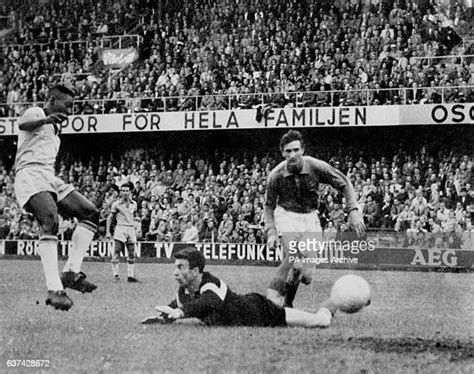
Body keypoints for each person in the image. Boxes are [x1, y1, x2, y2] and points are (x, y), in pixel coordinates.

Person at [13, 84, 99, 311]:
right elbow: (21, 124)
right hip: (29, 174)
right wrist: (46, 119)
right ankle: (54, 288)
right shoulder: (37, 113)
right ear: (52, 99)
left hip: (48, 176)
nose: (69, 111)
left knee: (90, 213)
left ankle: (70, 272)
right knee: (50, 220)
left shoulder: (54, 129)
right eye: (67, 105)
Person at [265, 130, 365, 307]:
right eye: (288, 151)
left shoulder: (315, 166)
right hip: (287, 216)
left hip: (310, 218)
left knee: (305, 276)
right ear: (282, 153)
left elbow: (344, 183)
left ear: (302, 149)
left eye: (296, 150)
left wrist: (353, 211)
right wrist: (271, 232)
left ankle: (286, 303)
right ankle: (279, 303)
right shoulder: (276, 175)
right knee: (295, 261)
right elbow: (269, 206)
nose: (292, 155)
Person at [141, 248, 338, 328]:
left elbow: (207, 302)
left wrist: (179, 313)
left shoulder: (212, 284)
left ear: (195, 271)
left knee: (319, 322)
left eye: (180, 267)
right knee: (281, 299)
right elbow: (177, 305)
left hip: (259, 311)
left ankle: (334, 302)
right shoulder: (183, 292)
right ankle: (293, 267)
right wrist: (161, 318)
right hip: (251, 308)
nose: (175, 272)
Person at [106, 182, 139, 282]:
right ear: (121, 192)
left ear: (130, 191)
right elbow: (110, 217)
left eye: (127, 190)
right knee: (116, 251)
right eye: (123, 190)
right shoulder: (116, 204)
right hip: (120, 228)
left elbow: (135, 215)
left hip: (130, 228)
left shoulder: (134, 204)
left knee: (132, 252)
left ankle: (130, 276)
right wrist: (108, 231)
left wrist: (137, 219)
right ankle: (115, 275)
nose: (125, 192)